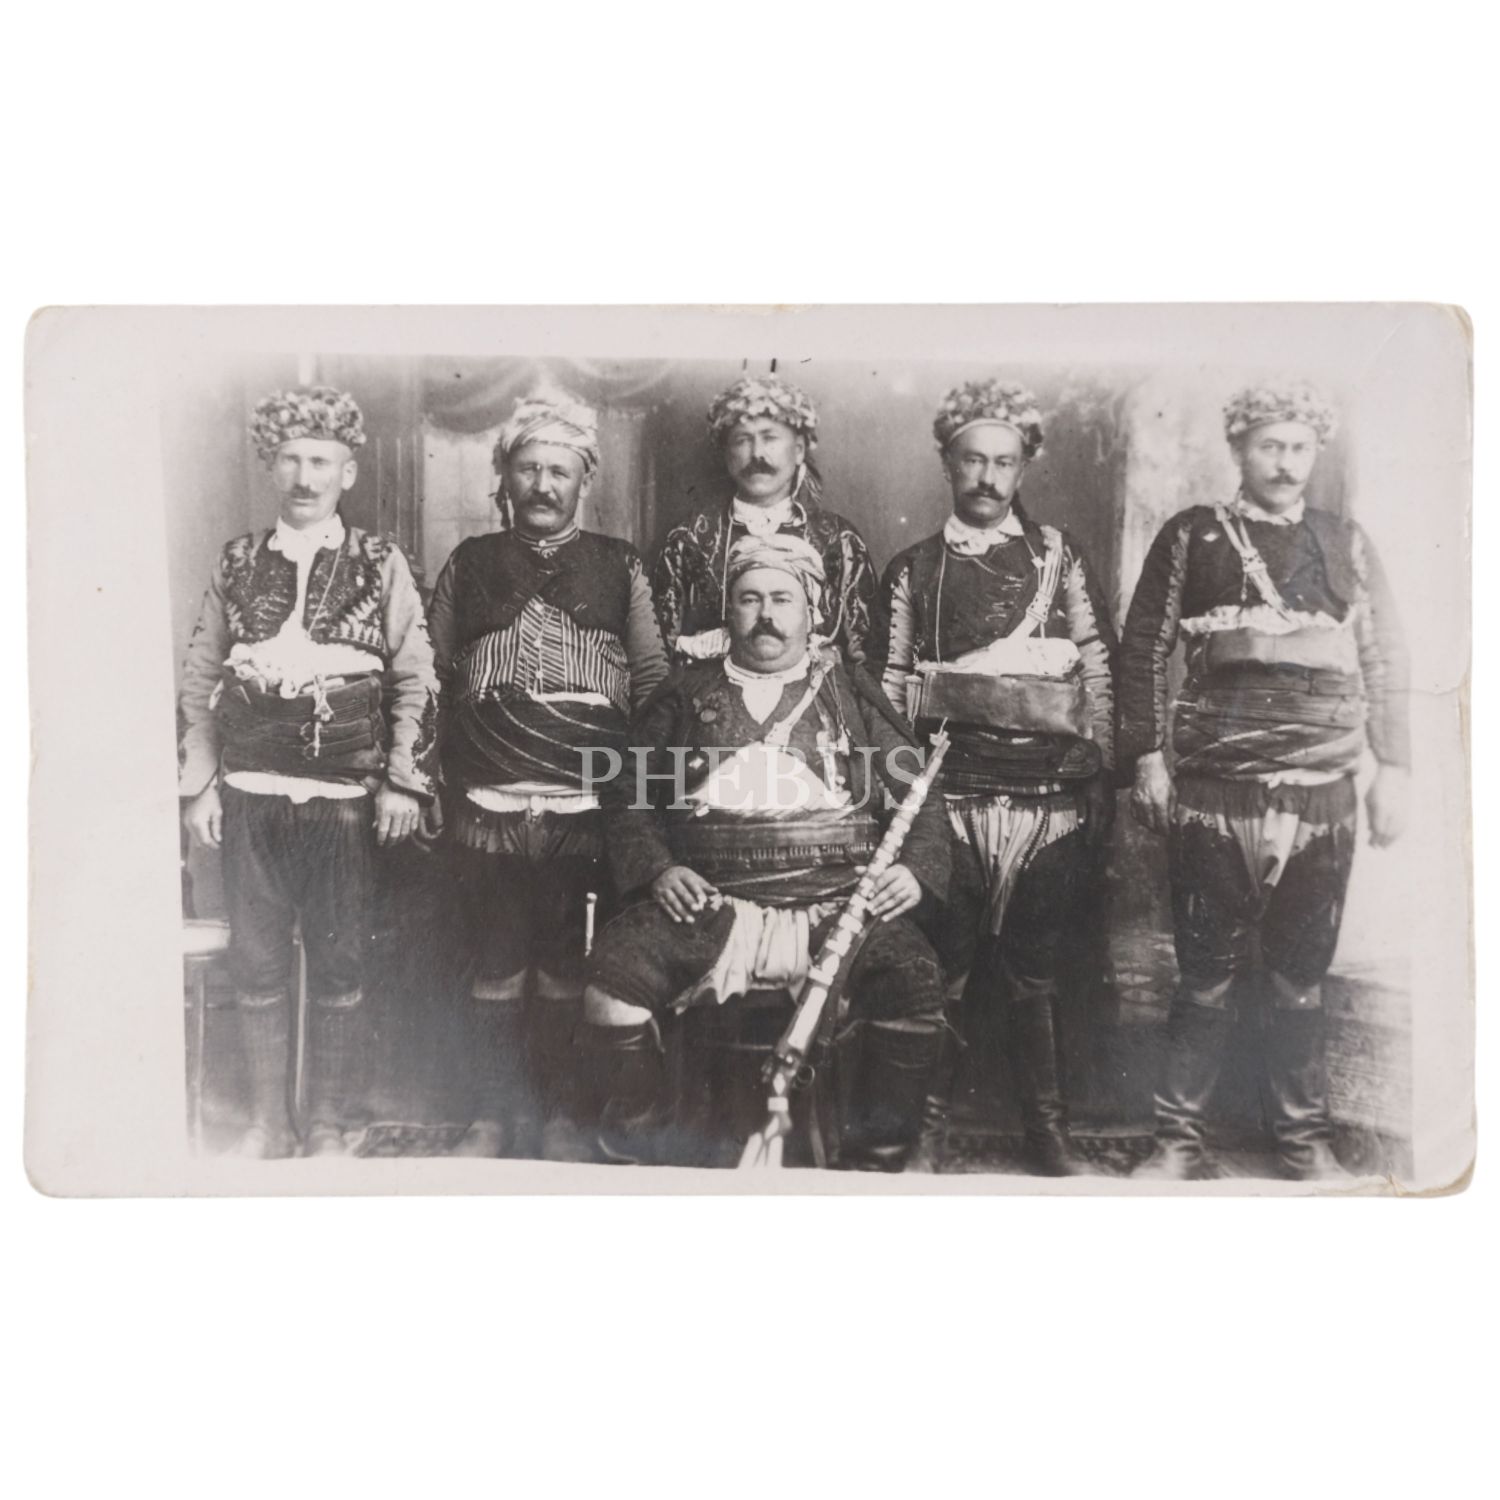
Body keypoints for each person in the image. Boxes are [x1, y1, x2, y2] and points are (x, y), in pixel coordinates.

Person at [582, 533, 951, 1169]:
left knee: (914, 985)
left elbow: (920, 793)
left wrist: (915, 871)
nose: (766, 615)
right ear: (728, 610)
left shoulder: (850, 692)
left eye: (782, 598)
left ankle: (875, 1163)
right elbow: (624, 792)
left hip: (836, 902)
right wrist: (659, 869)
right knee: (611, 985)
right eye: (749, 599)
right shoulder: (683, 692)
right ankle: (641, 1153)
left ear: (812, 610)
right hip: (711, 903)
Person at [1119, 381, 1409, 1180]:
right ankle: (1177, 1142)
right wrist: (1145, 756)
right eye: (1269, 447)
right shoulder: (1193, 537)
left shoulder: (1345, 543)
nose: (1285, 464)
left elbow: (1385, 658)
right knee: (1204, 976)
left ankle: (1303, 1142)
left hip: (1322, 795)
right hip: (1215, 793)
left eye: (1299, 448)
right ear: (1239, 450)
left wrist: (1396, 766)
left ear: (1316, 453)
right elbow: (1143, 647)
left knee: (1298, 977)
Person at [178, 385, 439, 1157]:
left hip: (343, 797)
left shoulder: (381, 562)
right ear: (272, 467)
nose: (304, 476)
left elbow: (417, 678)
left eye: (321, 461)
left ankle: (326, 1123)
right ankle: (268, 1125)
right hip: (250, 794)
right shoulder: (237, 560)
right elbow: (200, 678)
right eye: (290, 459)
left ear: (347, 472)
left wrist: (403, 780)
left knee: (340, 960)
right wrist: (200, 785)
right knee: (256, 961)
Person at [872, 379, 1117, 1175]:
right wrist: (901, 802)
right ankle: (927, 1134)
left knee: (1035, 973)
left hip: (1048, 801)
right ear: (948, 462)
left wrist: (1098, 767)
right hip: (950, 802)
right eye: (972, 460)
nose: (986, 477)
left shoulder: (1058, 557)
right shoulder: (914, 569)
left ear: (1024, 467)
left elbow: (1098, 666)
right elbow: (890, 689)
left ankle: (1048, 1135)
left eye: (1003, 462)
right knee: (942, 969)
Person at [425, 389, 669, 1159]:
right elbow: (429, 676)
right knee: (494, 963)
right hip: (488, 801)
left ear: (583, 481)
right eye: (528, 469)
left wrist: (642, 794)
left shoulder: (619, 564)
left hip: (585, 805)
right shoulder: (470, 562)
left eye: (558, 471)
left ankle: (563, 1114)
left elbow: (652, 679)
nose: (542, 485)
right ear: (504, 477)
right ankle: (493, 1117)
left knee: (568, 965)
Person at [651, 373, 877, 663]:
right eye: (742, 440)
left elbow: (866, 657)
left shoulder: (839, 541)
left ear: (799, 450)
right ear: (726, 453)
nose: (757, 454)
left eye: (770, 438)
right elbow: (661, 655)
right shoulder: (689, 539)